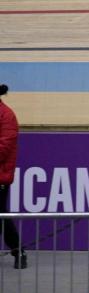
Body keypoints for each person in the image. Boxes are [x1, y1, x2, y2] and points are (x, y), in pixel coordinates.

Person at [0, 84, 26, 270]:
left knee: (1, 216)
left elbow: (4, 148)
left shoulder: (6, 115)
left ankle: (19, 251)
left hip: (0, 177)